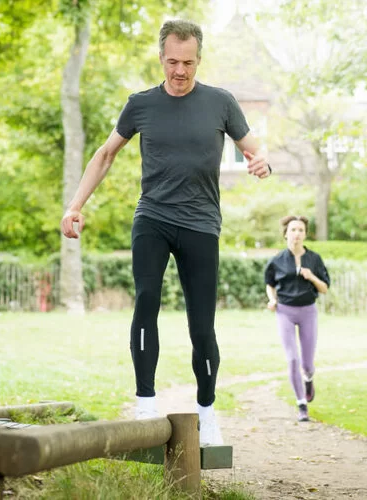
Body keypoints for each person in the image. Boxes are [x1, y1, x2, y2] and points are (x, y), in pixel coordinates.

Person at [60, 19, 271, 446]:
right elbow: (105, 155)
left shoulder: (221, 102)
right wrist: (75, 205)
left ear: (198, 59)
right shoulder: (141, 104)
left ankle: (207, 413)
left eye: (188, 62)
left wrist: (261, 162)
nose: (180, 71)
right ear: (160, 57)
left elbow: (254, 148)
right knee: (146, 300)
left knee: (201, 325)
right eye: (172, 61)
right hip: (153, 218)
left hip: (200, 224)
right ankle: (144, 403)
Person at [264, 216, 330, 422]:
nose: (297, 234)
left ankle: (309, 378)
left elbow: (325, 288)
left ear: (305, 234)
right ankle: (301, 404)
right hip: (285, 311)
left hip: (308, 311)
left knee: (307, 363)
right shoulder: (276, 260)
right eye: (293, 230)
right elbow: (269, 284)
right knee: (292, 358)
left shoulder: (315, 259)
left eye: (301, 230)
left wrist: (311, 277)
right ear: (286, 233)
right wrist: (272, 300)